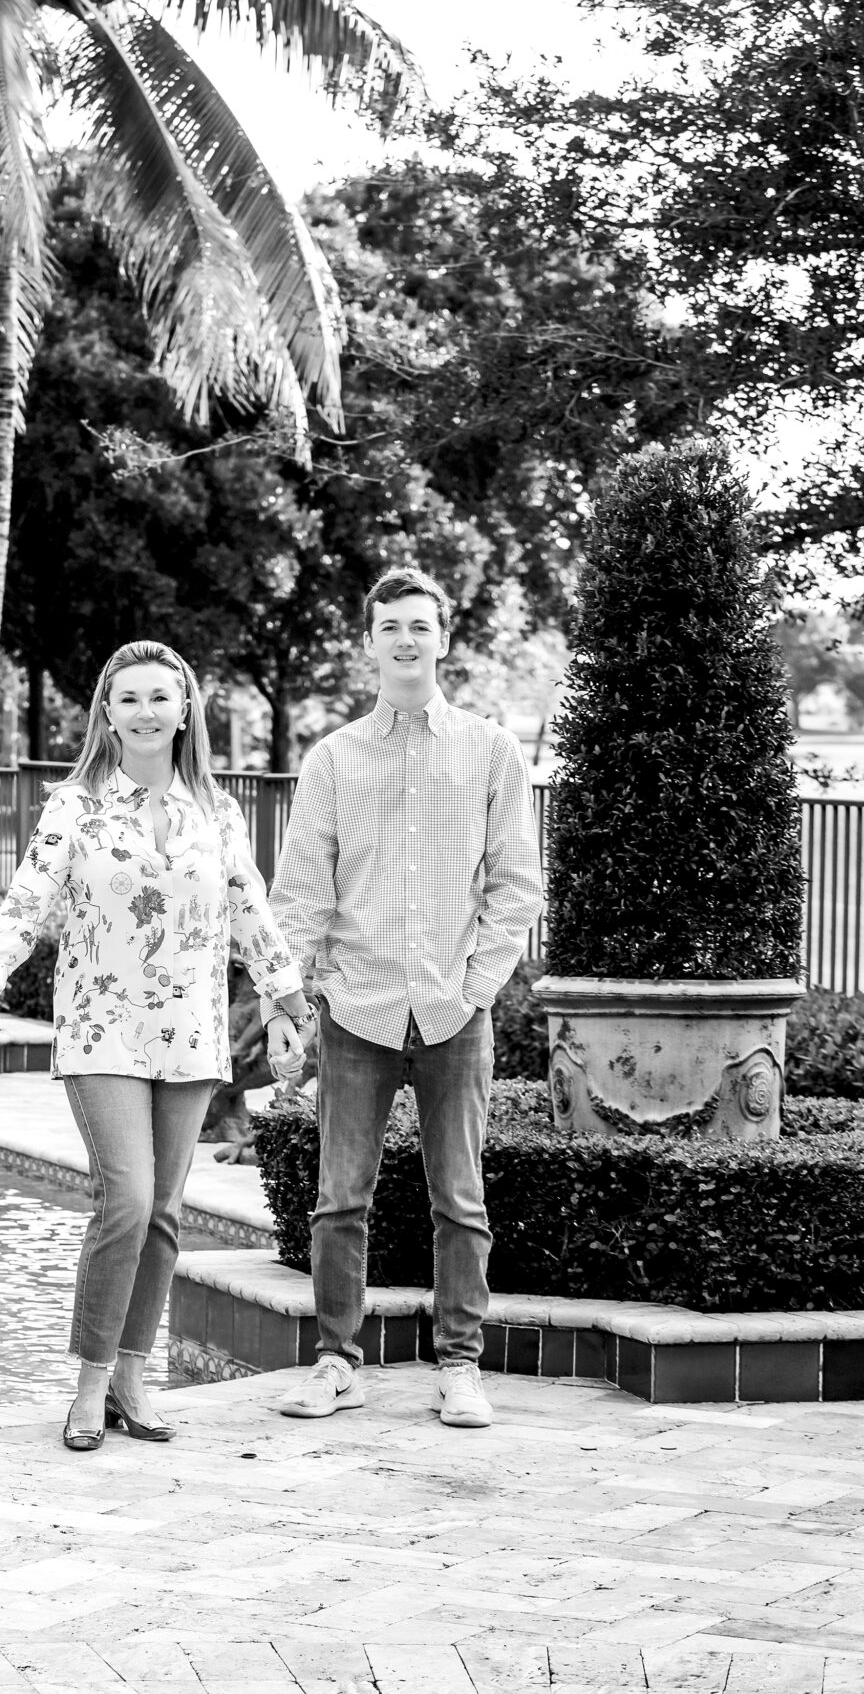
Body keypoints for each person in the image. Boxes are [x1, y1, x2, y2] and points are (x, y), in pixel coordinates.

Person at [0, 642, 311, 1452]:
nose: (147, 712)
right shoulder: (75, 805)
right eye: (130, 700)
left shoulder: (216, 812)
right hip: (100, 1029)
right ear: (107, 714)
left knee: (162, 1210)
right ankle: (89, 1384)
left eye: (162, 697)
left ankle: (131, 1376)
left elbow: (252, 913)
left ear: (184, 709)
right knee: (125, 1199)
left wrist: (290, 1002)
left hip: (189, 1036)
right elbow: (26, 902)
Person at [270, 566, 543, 1429]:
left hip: (456, 1011)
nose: (405, 640)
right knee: (338, 1200)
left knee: (459, 1198)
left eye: (420, 626)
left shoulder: (492, 750)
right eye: (390, 626)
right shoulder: (334, 759)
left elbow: (517, 885)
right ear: (368, 643)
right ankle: (335, 1362)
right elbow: (301, 891)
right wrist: (291, 993)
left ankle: (460, 1366)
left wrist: (476, 987)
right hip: (356, 1009)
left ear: (444, 639)